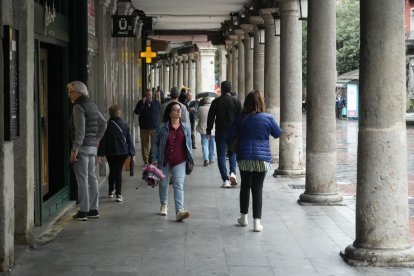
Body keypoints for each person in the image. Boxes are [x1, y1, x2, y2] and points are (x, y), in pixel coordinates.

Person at [228, 90, 282, 232]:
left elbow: (230, 136)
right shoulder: (268, 118)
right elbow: (278, 133)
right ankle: (257, 223)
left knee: (245, 186)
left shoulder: (240, 118)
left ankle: (243, 217)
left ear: (246, 103)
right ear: (261, 103)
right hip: (261, 158)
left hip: (244, 156)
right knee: (257, 188)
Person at [67, 81, 107, 221]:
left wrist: (74, 151)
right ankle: (94, 209)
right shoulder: (92, 105)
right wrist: (97, 140)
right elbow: (103, 123)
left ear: (78, 93)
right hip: (92, 148)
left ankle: (83, 211)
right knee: (92, 178)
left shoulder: (78, 106)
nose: (69, 95)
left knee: (82, 179)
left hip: (82, 148)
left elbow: (80, 132)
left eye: (71, 92)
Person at [152, 102, 194, 221]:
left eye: (179, 110)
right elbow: (155, 143)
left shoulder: (185, 127)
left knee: (178, 185)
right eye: (175, 110)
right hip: (164, 159)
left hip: (180, 160)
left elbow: (189, 144)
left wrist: (190, 158)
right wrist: (154, 158)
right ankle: (164, 204)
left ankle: (179, 211)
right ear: (170, 113)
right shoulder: (162, 127)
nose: (178, 111)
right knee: (164, 183)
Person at [207, 80, 242, 188]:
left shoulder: (216, 102)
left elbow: (211, 118)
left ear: (221, 89)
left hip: (221, 132)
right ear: (230, 89)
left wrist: (208, 130)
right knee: (232, 153)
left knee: (221, 155)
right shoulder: (236, 101)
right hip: (233, 132)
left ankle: (225, 180)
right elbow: (241, 118)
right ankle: (232, 173)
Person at [98, 104, 135, 202]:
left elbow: (103, 141)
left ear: (110, 114)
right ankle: (118, 194)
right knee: (118, 171)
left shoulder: (107, 125)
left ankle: (111, 190)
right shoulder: (125, 125)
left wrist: (100, 154)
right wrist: (132, 152)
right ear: (119, 113)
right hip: (122, 152)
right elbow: (129, 140)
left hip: (110, 152)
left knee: (112, 170)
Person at [134, 88, 161, 165]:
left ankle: (152, 159)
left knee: (154, 144)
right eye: (147, 95)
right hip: (144, 127)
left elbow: (160, 114)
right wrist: (142, 103)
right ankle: (146, 161)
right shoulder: (140, 102)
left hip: (154, 127)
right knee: (144, 145)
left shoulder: (156, 103)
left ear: (152, 95)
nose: (149, 97)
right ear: (145, 95)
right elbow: (137, 112)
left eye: (150, 95)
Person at [196, 97, 216, 166]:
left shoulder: (200, 108)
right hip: (212, 129)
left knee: (204, 144)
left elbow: (197, 116)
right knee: (212, 145)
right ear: (210, 102)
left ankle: (206, 159)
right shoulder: (214, 108)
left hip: (203, 129)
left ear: (204, 102)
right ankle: (212, 158)